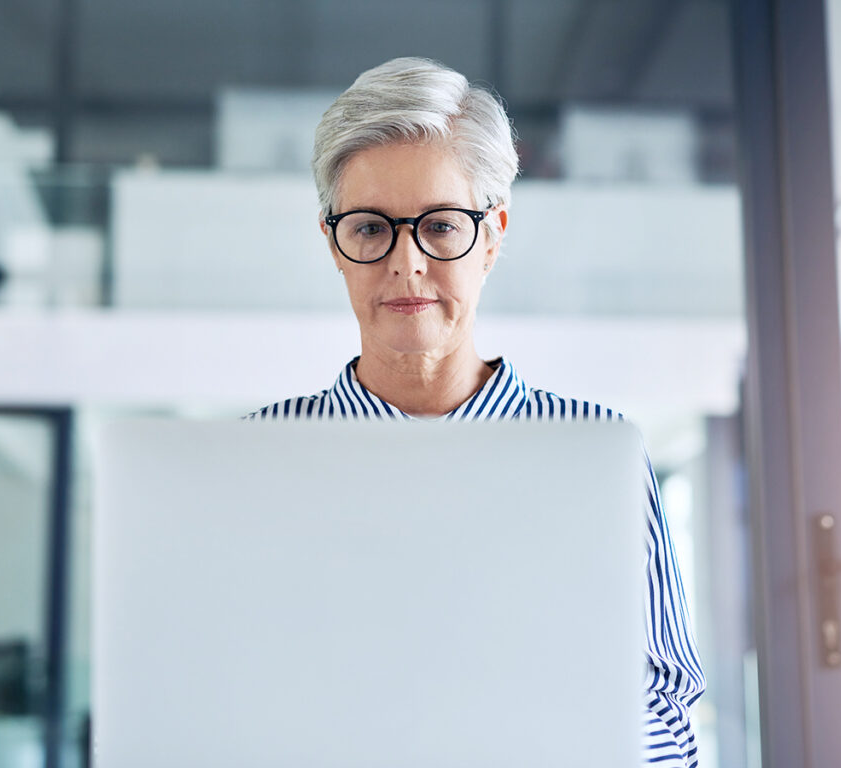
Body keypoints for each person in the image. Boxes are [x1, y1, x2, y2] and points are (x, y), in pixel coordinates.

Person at [247, 56, 705, 767]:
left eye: (439, 226)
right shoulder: (256, 462)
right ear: (333, 245)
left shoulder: (595, 454)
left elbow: (667, 715)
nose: (406, 264)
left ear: (491, 236)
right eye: (371, 230)